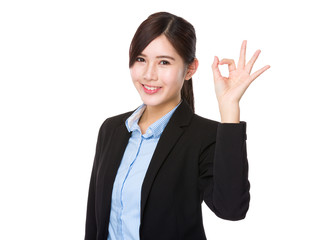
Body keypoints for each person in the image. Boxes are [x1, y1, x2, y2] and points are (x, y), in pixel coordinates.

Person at [84, 12, 270, 240]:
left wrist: (229, 108)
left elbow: (231, 209)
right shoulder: (112, 129)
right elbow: (95, 220)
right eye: (141, 59)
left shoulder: (204, 136)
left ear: (190, 69)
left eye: (164, 62)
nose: (149, 74)